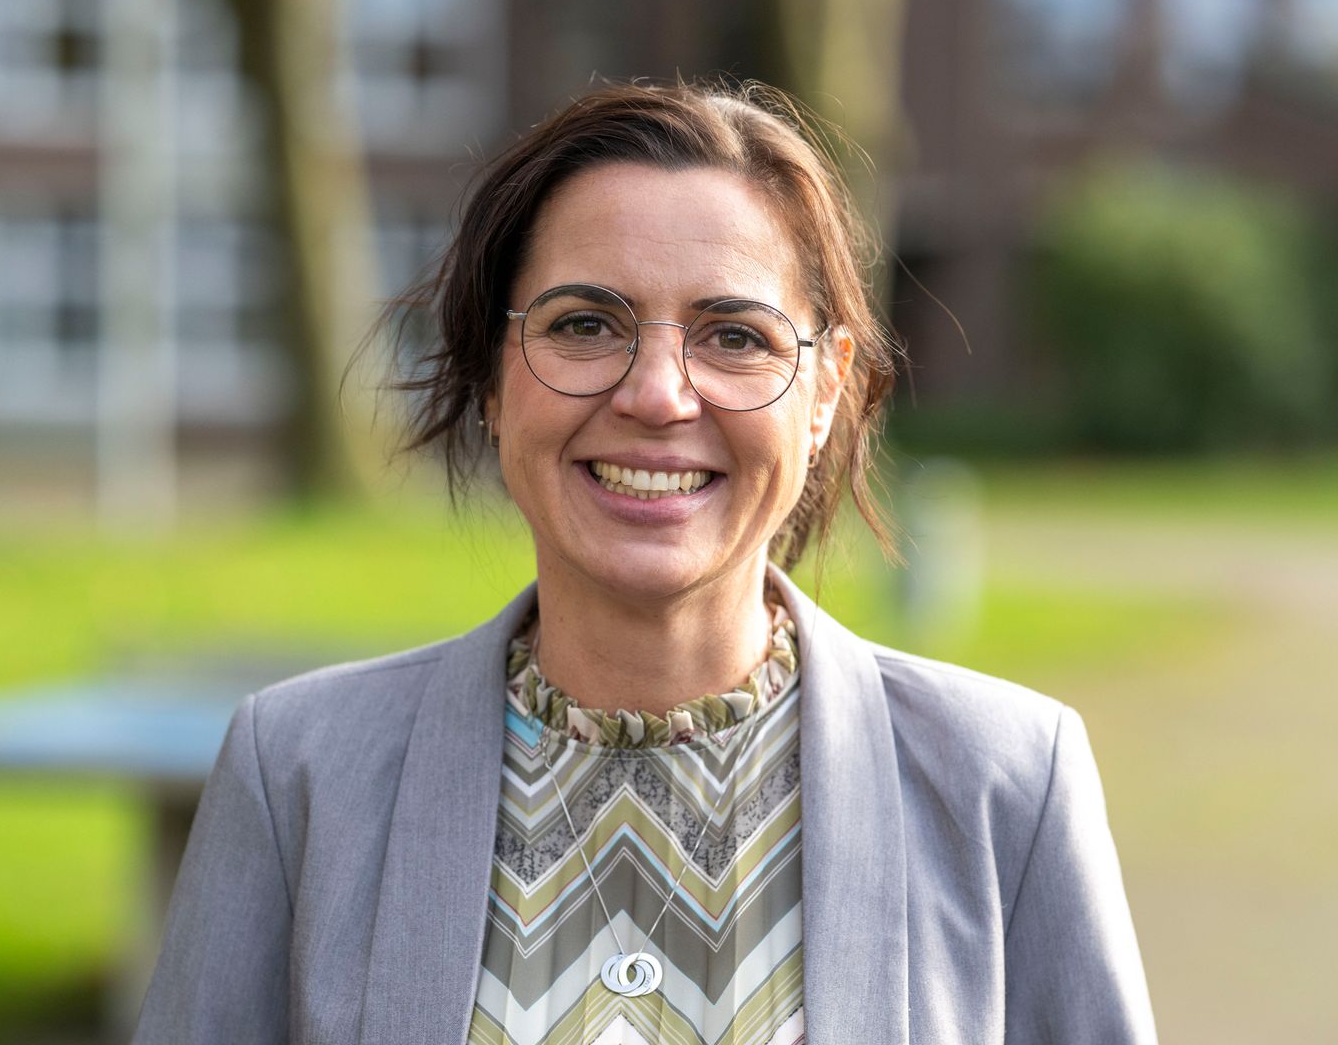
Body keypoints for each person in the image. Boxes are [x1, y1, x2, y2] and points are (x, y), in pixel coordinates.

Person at [132, 81, 1156, 1044]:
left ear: (826, 392)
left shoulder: (1007, 784)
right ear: (493, 379)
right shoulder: (298, 773)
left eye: (735, 336)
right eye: (585, 324)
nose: (658, 394)